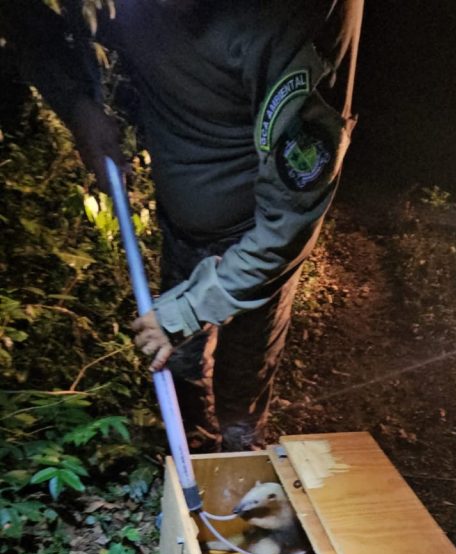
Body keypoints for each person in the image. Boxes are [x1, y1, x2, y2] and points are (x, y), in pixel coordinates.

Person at [2, 0, 364, 451]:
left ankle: (239, 466)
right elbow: (29, 22)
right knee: (182, 370)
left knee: (243, 382)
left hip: (259, 232)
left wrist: (185, 312)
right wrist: (77, 107)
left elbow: (288, 221)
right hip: (184, 224)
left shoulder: (292, 23)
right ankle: (192, 452)